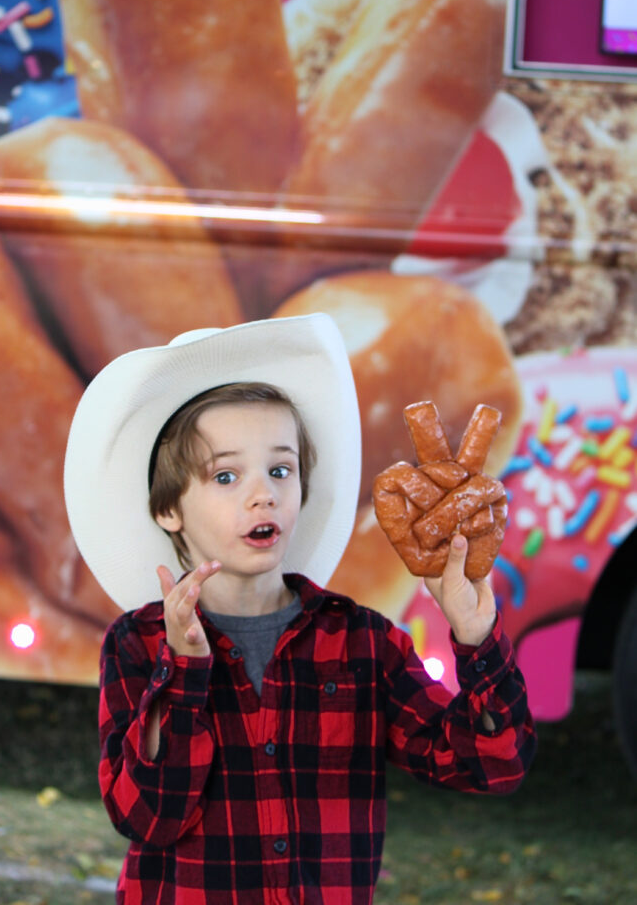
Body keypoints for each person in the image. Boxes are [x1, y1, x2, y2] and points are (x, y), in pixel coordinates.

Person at [64, 313, 537, 905]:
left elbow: (494, 765)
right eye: (227, 475)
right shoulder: (138, 645)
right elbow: (146, 816)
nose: (263, 493)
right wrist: (184, 672)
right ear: (169, 509)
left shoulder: (363, 642)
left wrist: (476, 636)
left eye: (280, 469)